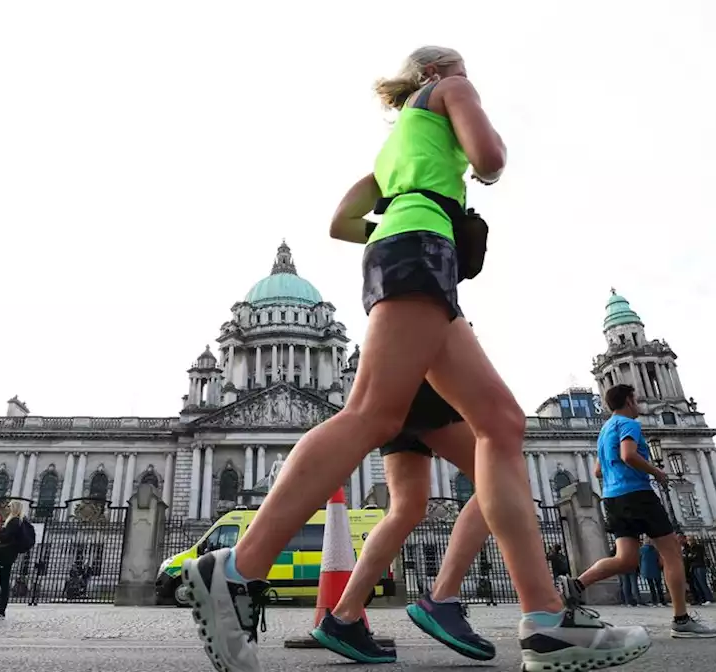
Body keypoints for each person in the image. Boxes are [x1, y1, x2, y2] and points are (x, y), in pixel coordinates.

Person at [181, 46, 651, 672]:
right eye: (457, 65)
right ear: (435, 73)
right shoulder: (453, 91)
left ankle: (544, 622)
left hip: (406, 246)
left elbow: (341, 221)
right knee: (373, 413)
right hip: (421, 249)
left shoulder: (393, 149)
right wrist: (465, 141)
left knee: (503, 427)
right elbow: (491, 161)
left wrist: (399, 212)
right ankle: (237, 569)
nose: (466, 73)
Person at [311, 383, 495, 663]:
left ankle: (344, 617)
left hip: (394, 396)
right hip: (430, 389)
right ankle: (444, 598)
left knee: (406, 508)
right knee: (498, 478)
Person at [560, 383, 716, 639]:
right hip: (638, 495)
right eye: (635, 399)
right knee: (672, 554)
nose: (637, 404)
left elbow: (597, 471)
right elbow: (628, 455)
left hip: (613, 498)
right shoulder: (629, 425)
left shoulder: (604, 431)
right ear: (628, 401)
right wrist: (656, 471)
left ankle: (576, 583)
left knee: (626, 559)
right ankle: (681, 619)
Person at [0, 500, 29, 618]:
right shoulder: (16, 521)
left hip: (7, 554)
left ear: (14, 508)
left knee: (4, 583)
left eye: (9, 506)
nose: (7, 508)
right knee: (3, 582)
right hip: (8, 554)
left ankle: (0, 610)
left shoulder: (14, 521)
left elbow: (5, 537)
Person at [680, 535, 713, 605]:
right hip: (693, 567)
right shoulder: (689, 548)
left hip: (700, 566)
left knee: (702, 583)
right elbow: (688, 557)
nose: (688, 542)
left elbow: (695, 556)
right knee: (697, 584)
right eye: (688, 540)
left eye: (690, 540)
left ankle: (708, 598)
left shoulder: (698, 547)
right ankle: (702, 599)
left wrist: (689, 556)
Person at [639, 537, 667, 607]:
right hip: (656, 568)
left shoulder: (641, 550)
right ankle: (662, 600)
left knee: (651, 586)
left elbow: (639, 560)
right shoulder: (656, 550)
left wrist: (641, 569)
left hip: (647, 570)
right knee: (659, 586)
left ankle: (654, 601)